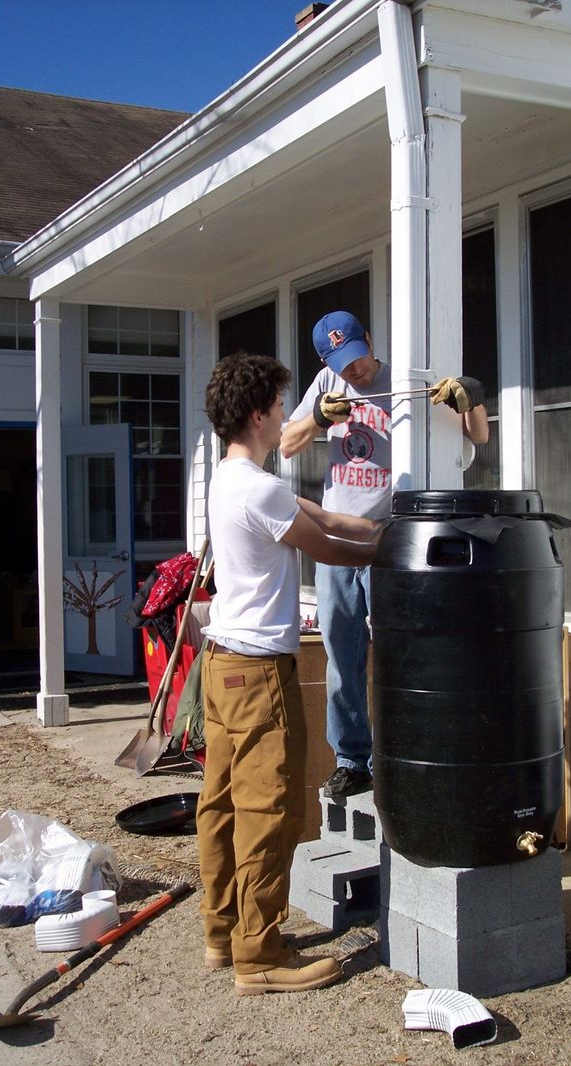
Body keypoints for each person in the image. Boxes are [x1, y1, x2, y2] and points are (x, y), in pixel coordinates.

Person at [198, 352, 381, 995]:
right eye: (280, 406)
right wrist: (394, 549)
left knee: (220, 802)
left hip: (220, 665)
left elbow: (324, 516)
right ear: (257, 414)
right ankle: (262, 956)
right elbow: (327, 544)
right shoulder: (260, 487)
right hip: (257, 673)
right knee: (269, 809)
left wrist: (386, 526)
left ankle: (223, 932)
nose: (287, 415)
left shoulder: (227, 477)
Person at [280, 310, 489, 798]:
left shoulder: (408, 381)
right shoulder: (327, 382)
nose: (354, 371)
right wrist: (316, 417)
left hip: (390, 538)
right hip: (335, 542)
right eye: (342, 362)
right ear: (326, 359)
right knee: (340, 654)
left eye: (358, 357)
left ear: (369, 340)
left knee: (403, 654)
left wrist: (472, 395)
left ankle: (407, 753)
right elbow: (286, 445)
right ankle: (352, 760)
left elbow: (476, 434)